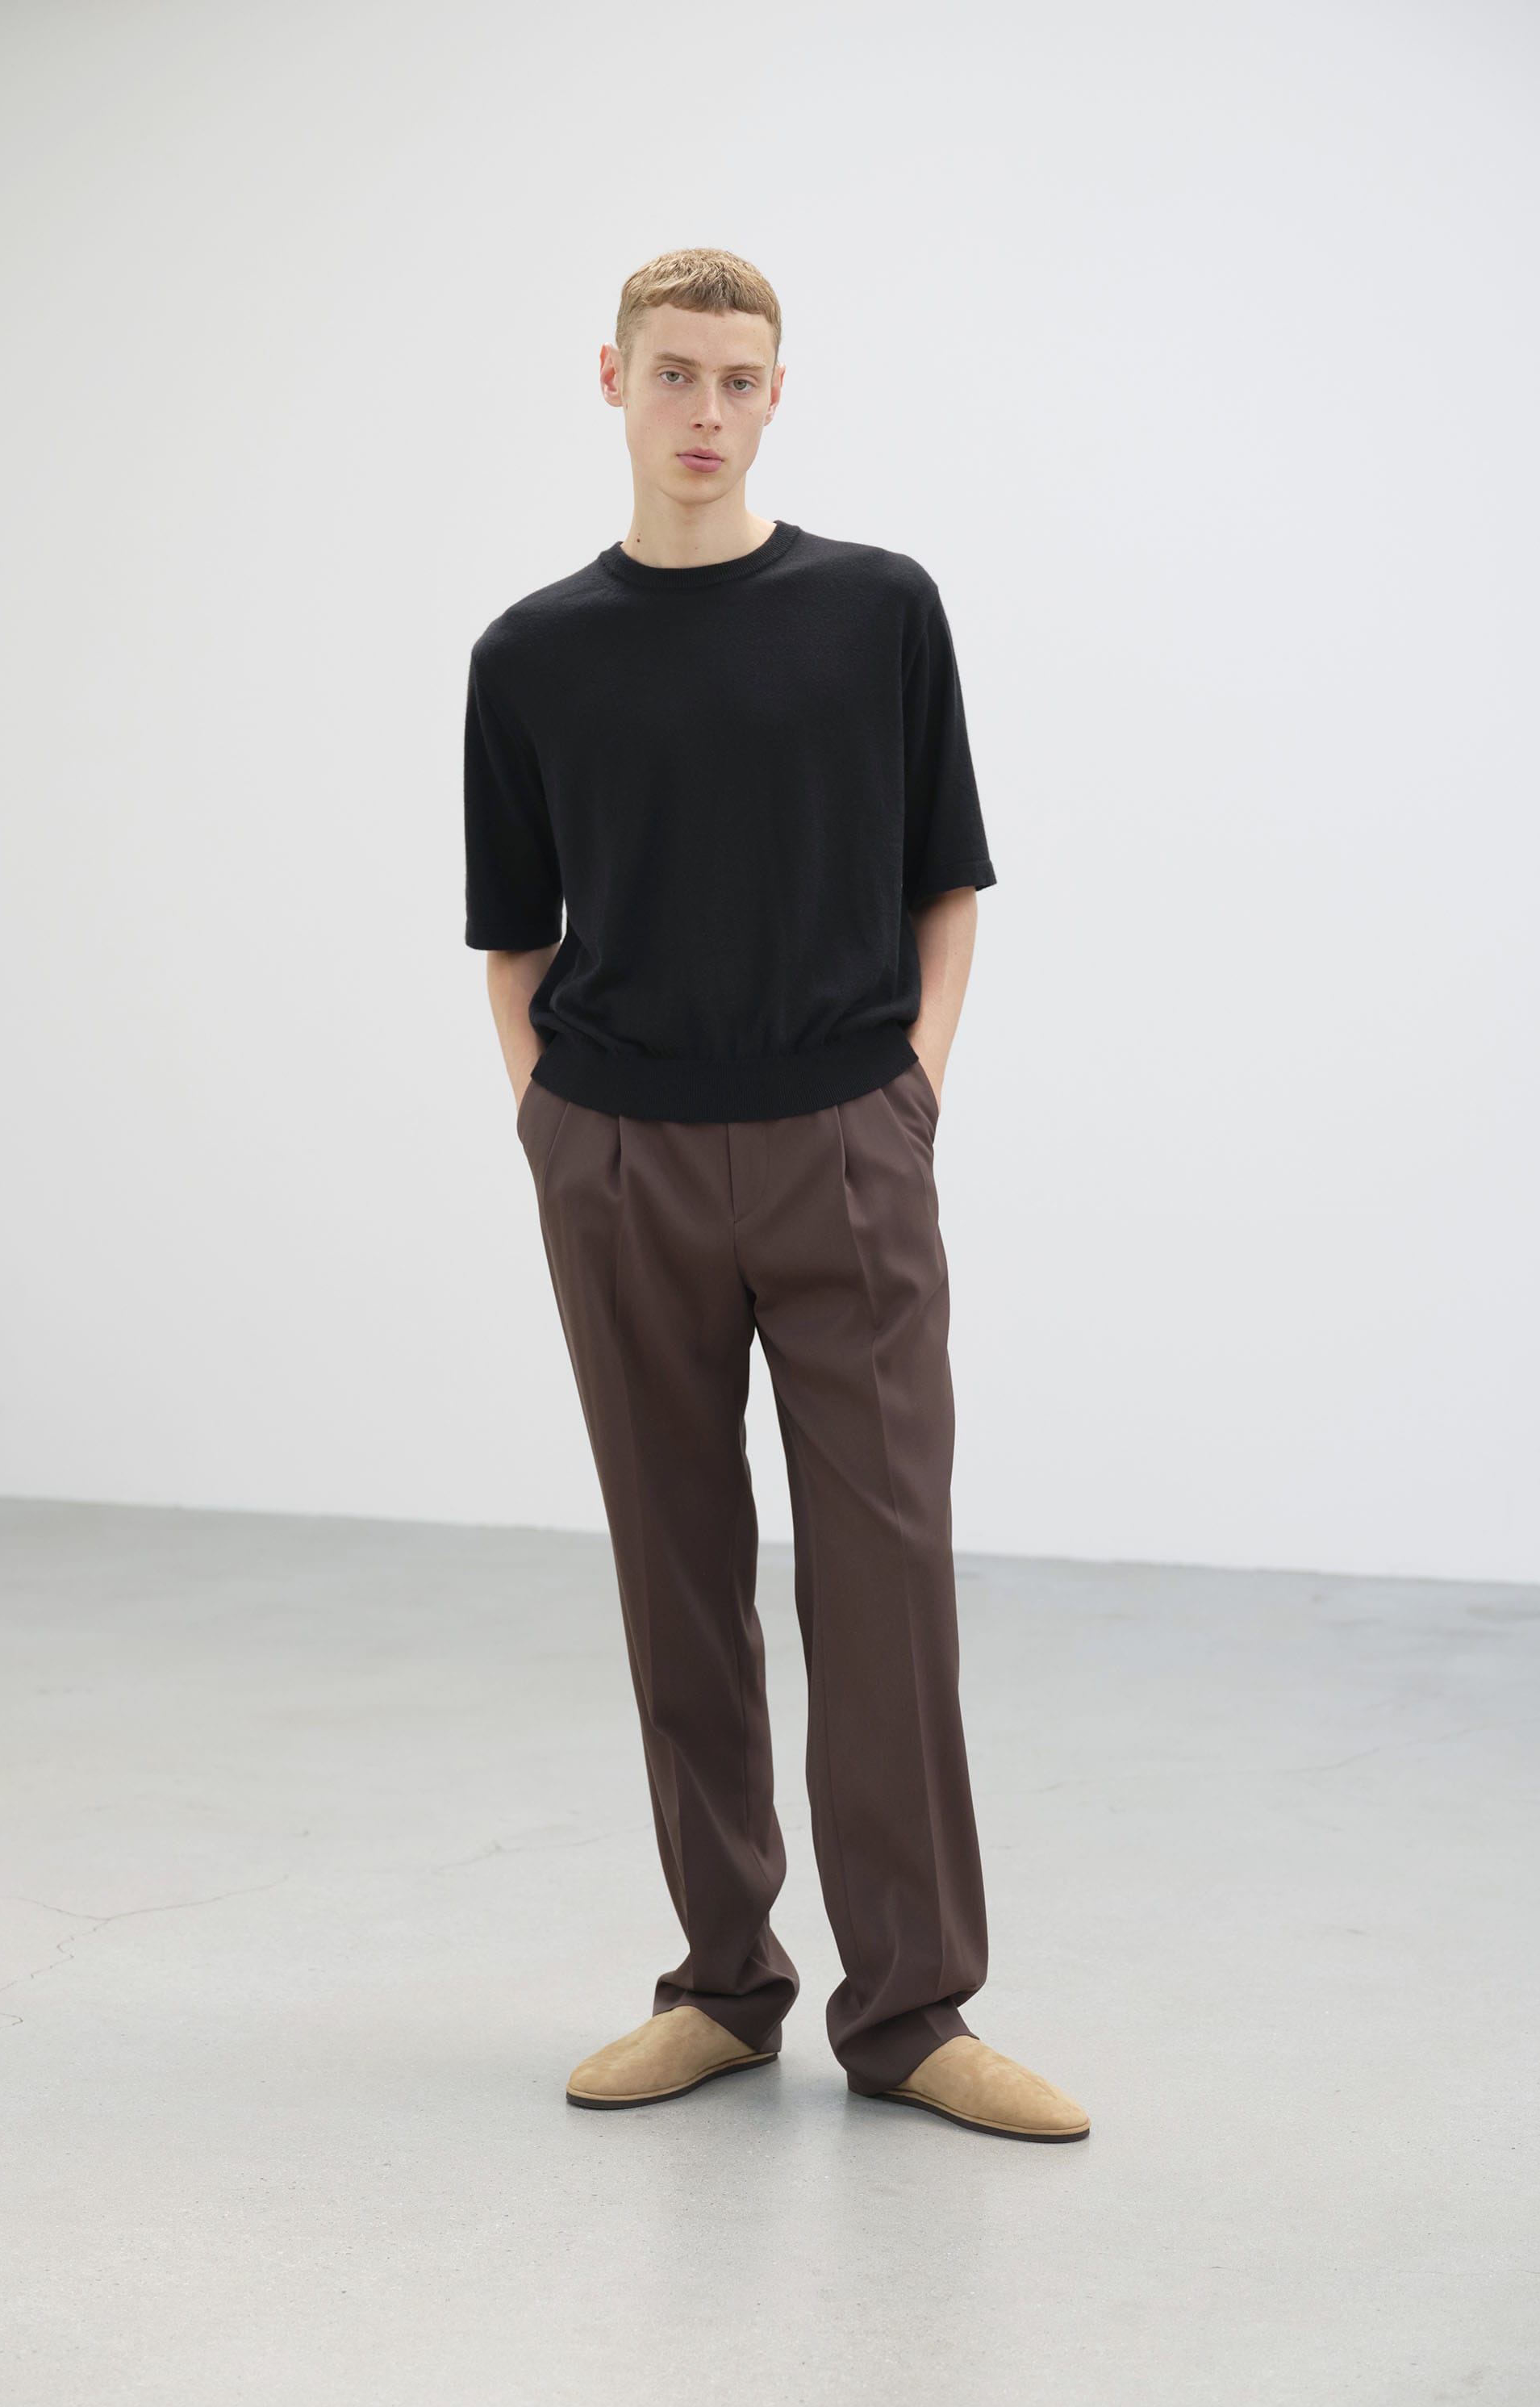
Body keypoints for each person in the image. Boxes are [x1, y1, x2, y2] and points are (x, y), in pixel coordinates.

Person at [462, 246, 1089, 2144]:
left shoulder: (877, 610)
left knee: (887, 1576)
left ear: (778, 394)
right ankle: (725, 1987)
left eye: (739, 379)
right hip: (619, 1155)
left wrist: (911, 1093)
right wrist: (555, 1130)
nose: (706, 411)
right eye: (675, 373)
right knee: (678, 1577)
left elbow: (945, 881)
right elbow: (514, 936)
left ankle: (912, 2013)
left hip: (846, 1146)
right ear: (613, 380)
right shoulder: (531, 655)